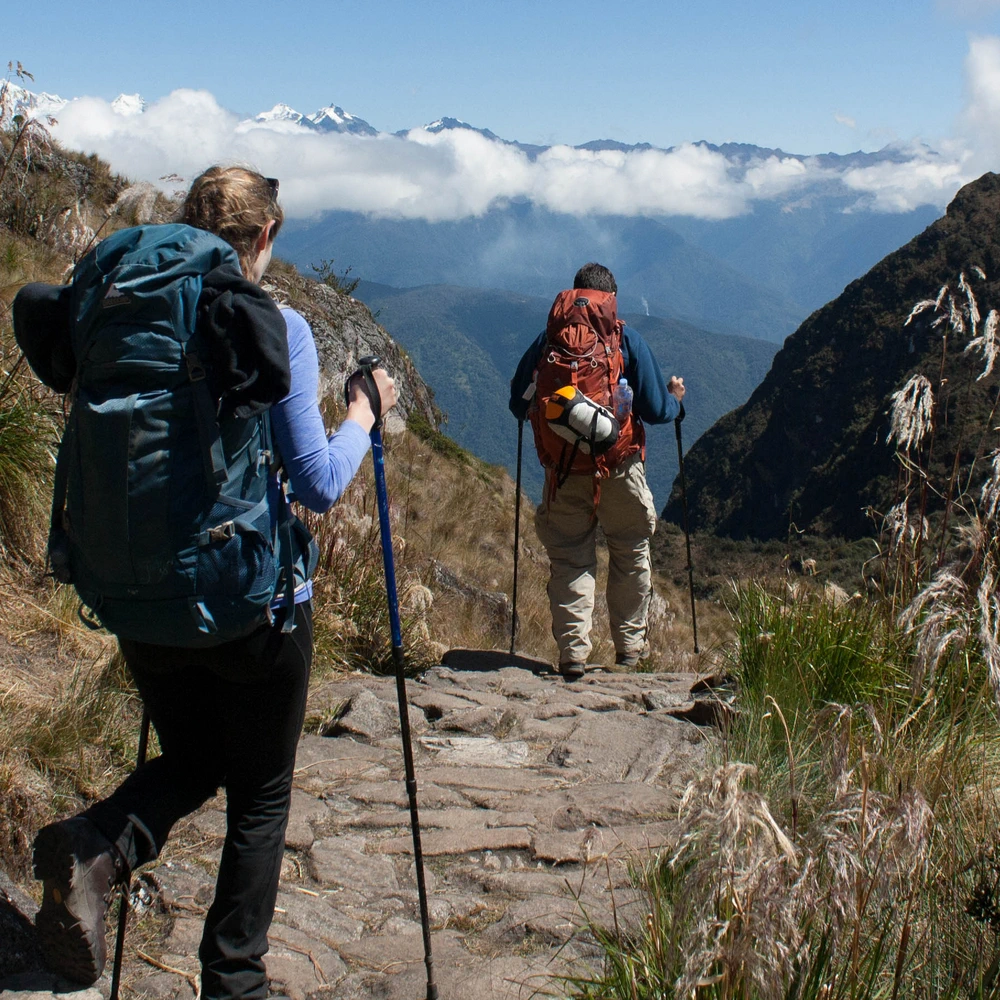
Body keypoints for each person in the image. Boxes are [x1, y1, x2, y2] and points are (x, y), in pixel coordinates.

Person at [20, 166, 396, 998]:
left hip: (136, 596)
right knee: (260, 794)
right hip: (250, 608)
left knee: (194, 756)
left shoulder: (117, 310)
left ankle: (96, 847)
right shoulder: (277, 324)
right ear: (265, 237)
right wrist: (364, 414)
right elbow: (318, 485)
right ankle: (234, 980)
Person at [509, 262, 684, 679]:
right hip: (619, 466)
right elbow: (658, 410)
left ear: (574, 295)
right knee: (629, 554)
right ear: (611, 298)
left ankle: (573, 658)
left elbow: (518, 402)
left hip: (564, 472)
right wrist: (678, 399)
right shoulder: (624, 338)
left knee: (570, 559)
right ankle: (629, 654)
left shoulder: (548, 342)